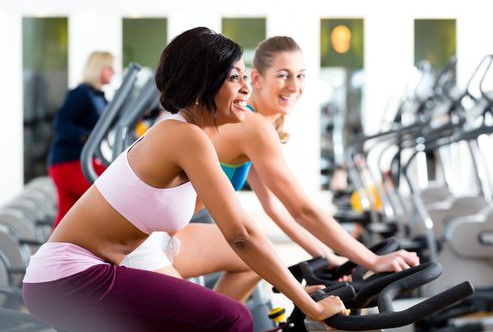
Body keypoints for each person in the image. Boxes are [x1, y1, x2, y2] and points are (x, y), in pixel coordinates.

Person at [22, 27, 346, 332]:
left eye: (245, 76)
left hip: (91, 270)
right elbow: (241, 234)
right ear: (202, 85)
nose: (247, 88)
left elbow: (239, 232)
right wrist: (307, 304)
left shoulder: (191, 135)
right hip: (69, 279)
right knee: (234, 318)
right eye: (235, 78)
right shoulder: (184, 137)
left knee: (222, 303)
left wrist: (298, 286)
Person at [193, 35, 419, 272]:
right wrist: (371, 260)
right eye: (283, 75)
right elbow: (302, 211)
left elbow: (275, 208)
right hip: (177, 225)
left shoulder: (254, 124)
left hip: (185, 220)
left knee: (259, 257)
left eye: (300, 75)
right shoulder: (252, 125)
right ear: (257, 79)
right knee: (256, 257)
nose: (294, 86)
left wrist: (330, 257)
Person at [48, 51, 115, 229]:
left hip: (84, 161)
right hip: (68, 163)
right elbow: (61, 123)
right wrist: (85, 135)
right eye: (109, 68)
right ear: (98, 69)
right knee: (110, 194)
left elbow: (116, 120)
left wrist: (147, 112)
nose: (114, 72)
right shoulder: (80, 93)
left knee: (65, 218)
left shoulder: (100, 97)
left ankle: (54, 254)